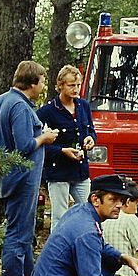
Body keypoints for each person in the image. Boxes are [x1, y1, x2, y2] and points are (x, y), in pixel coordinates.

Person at [0, 60, 59, 276]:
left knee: (24, 227)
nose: (43, 86)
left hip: (9, 174)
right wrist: (45, 138)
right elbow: (24, 145)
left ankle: (29, 275)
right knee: (18, 230)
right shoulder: (19, 106)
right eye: (42, 81)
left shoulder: (1, 100)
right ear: (32, 82)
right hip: (21, 177)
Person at [37, 65, 97, 232]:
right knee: (60, 216)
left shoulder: (83, 106)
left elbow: (91, 130)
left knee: (89, 212)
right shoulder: (46, 112)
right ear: (60, 84)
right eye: (71, 85)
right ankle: (56, 255)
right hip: (59, 172)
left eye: (78, 85)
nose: (76, 89)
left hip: (81, 171)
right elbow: (38, 144)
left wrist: (91, 139)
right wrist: (62, 151)